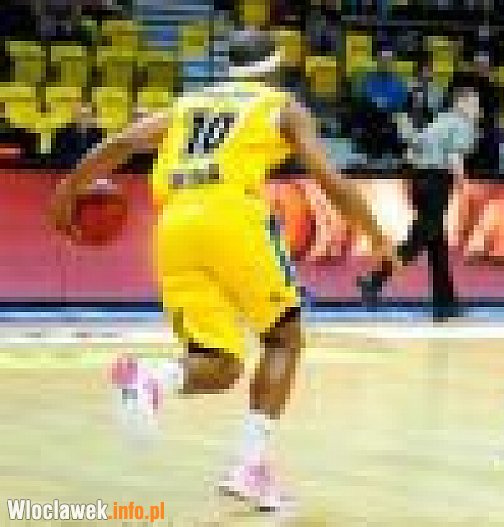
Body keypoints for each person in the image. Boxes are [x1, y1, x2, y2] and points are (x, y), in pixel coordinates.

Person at [50, 30, 394, 512]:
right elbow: (330, 179)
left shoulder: (188, 104)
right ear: (275, 66)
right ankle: (249, 467)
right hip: (233, 215)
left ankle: (153, 377)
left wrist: (68, 190)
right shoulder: (281, 106)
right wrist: (377, 236)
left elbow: (123, 142)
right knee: (283, 338)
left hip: (174, 225)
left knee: (221, 363)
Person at [357, 74, 480, 321]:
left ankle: (445, 304)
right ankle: (375, 279)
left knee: (436, 245)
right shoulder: (461, 124)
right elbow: (455, 157)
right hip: (436, 182)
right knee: (418, 241)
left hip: (419, 180)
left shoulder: (438, 121)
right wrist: (464, 185)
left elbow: (412, 149)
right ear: (461, 103)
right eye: (474, 104)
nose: (478, 110)